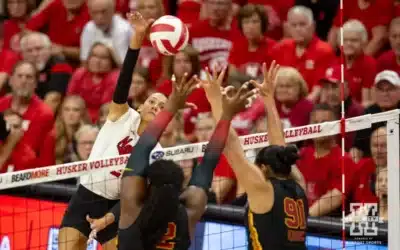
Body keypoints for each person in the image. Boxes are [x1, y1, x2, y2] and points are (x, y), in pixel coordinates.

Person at [58, 12, 167, 250]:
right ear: (140, 105)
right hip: (87, 196)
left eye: (162, 106)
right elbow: (125, 78)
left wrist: (107, 219)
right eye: (152, 101)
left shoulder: (157, 153)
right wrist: (137, 38)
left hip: (118, 209)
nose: (155, 106)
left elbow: (134, 197)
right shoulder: (122, 116)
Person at [117, 72, 257, 249]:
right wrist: (227, 116)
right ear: (180, 184)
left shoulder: (133, 205)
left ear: (148, 182)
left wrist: (171, 106)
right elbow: (209, 162)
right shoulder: (191, 208)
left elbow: (143, 145)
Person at [203, 61, 308, 249]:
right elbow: (279, 147)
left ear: (265, 168)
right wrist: (268, 100)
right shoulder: (299, 184)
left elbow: (230, 144)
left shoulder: (262, 190)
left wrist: (215, 101)